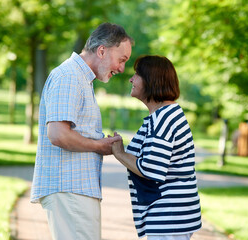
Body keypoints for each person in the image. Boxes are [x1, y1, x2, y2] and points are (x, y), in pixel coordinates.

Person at [30, 22, 134, 240]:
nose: (122, 68)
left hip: (74, 190)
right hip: (69, 188)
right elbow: (58, 134)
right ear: (102, 50)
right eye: (122, 59)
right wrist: (99, 146)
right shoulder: (70, 77)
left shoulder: (80, 79)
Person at [111, 55, 202, 239]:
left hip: (169, 215)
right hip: (170, 215)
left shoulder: (164, 119)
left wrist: (119, 153)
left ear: (151, 80)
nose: (131, 79)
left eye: (136, 74)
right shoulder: (162, 116)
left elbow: (151, 169)